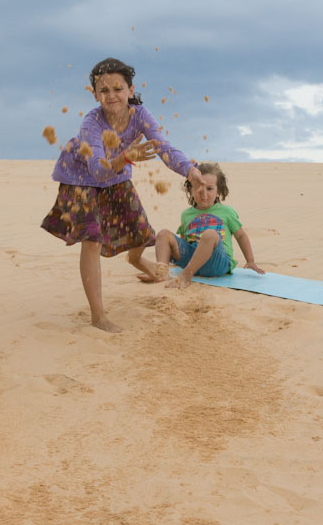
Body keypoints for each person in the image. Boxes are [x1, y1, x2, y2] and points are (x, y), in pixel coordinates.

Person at [41, 57, 202, 333]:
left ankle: (136, 259)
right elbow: (98, 170)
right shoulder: (91, 123)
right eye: (104, 91)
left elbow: (163, 148)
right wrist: (126, 156)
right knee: (91, 240)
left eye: (118, 88)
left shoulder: (141, 115)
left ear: (130, 90)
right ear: (95, 95)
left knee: (140, 229)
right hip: (79, 179)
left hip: (116, 174)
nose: (111, 95)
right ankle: (98, 316)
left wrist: (189, 171)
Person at [145, 162, 264, 289]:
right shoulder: (186, 214)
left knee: (210, 235)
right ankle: (161, 273)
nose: (204, 194)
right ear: (190, 190)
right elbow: (184, 241)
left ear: (219, 191)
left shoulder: (226, 212)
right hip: (193, 261)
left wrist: (250, 261)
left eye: (209, 188)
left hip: (217, 264)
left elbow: (241, 236)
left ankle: (186, 275)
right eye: (198, 188)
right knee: (163, 234)